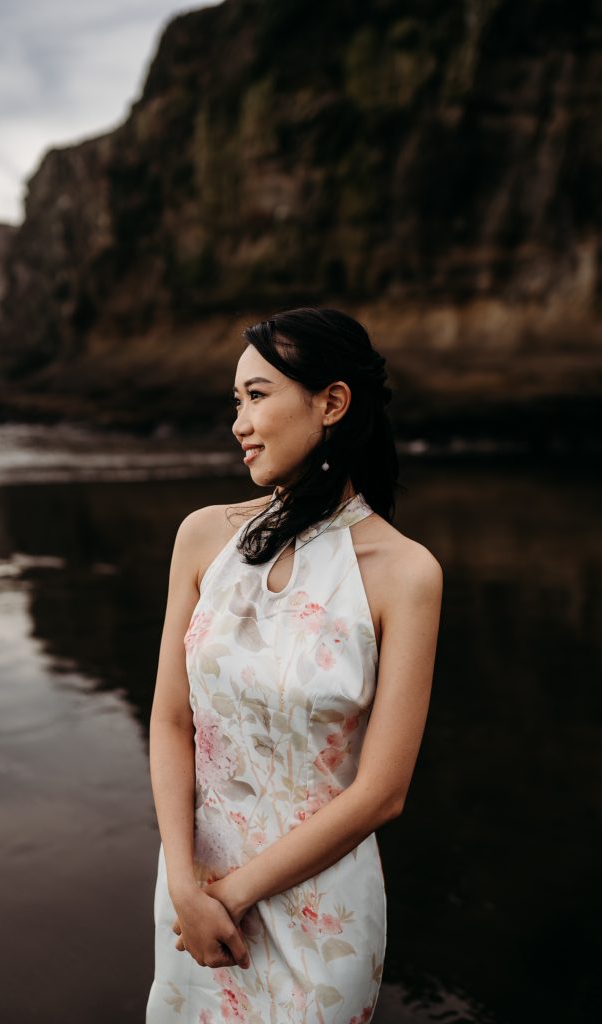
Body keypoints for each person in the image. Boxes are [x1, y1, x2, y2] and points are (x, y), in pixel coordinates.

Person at [146, 307, 443, 1022]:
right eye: (235, 401)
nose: (238, 423)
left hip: (320, 915)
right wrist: (187, 885)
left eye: (257, 396)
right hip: (194, 892)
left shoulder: (405, 573)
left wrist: (234, 894)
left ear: (331, 402)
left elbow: (381, 792)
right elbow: (170, 717)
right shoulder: (202, 539)